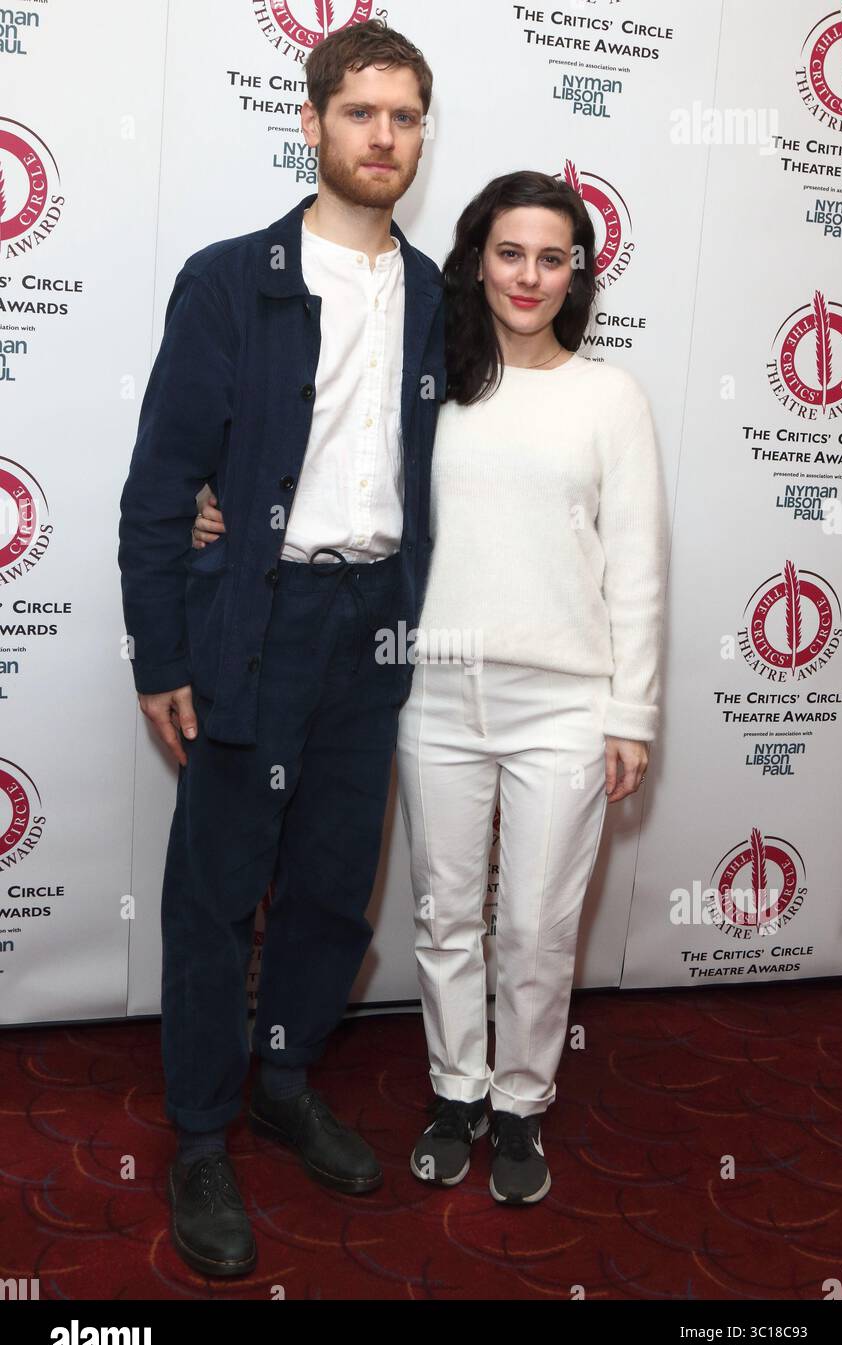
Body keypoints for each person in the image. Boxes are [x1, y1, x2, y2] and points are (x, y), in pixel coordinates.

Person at [197, 169, 669, 1207]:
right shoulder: (432, 387)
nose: (530, 275)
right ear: (476, 262)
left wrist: (631, 712)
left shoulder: (611, 398)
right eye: (510, 253)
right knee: (444, 913)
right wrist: (215, 501)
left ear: (577, 271)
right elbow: (325, 463)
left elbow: (636, 566)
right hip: (432, 696)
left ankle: (521, 1103)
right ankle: (456, 1090)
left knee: (537, 927)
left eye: (553, 257)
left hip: (566, 704)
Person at [117, 20, 445, 1279]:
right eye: (360, 112)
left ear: (423, 132)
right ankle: (200, 1133)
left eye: (404, 116)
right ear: (312, 122)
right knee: (215, 892)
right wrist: (162, 650)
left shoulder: (441, 301)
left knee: (329, 881)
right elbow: (162, 484)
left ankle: (283, 1079)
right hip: (253, 620)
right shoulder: (230, 279)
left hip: (375, 624)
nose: (382, 136)